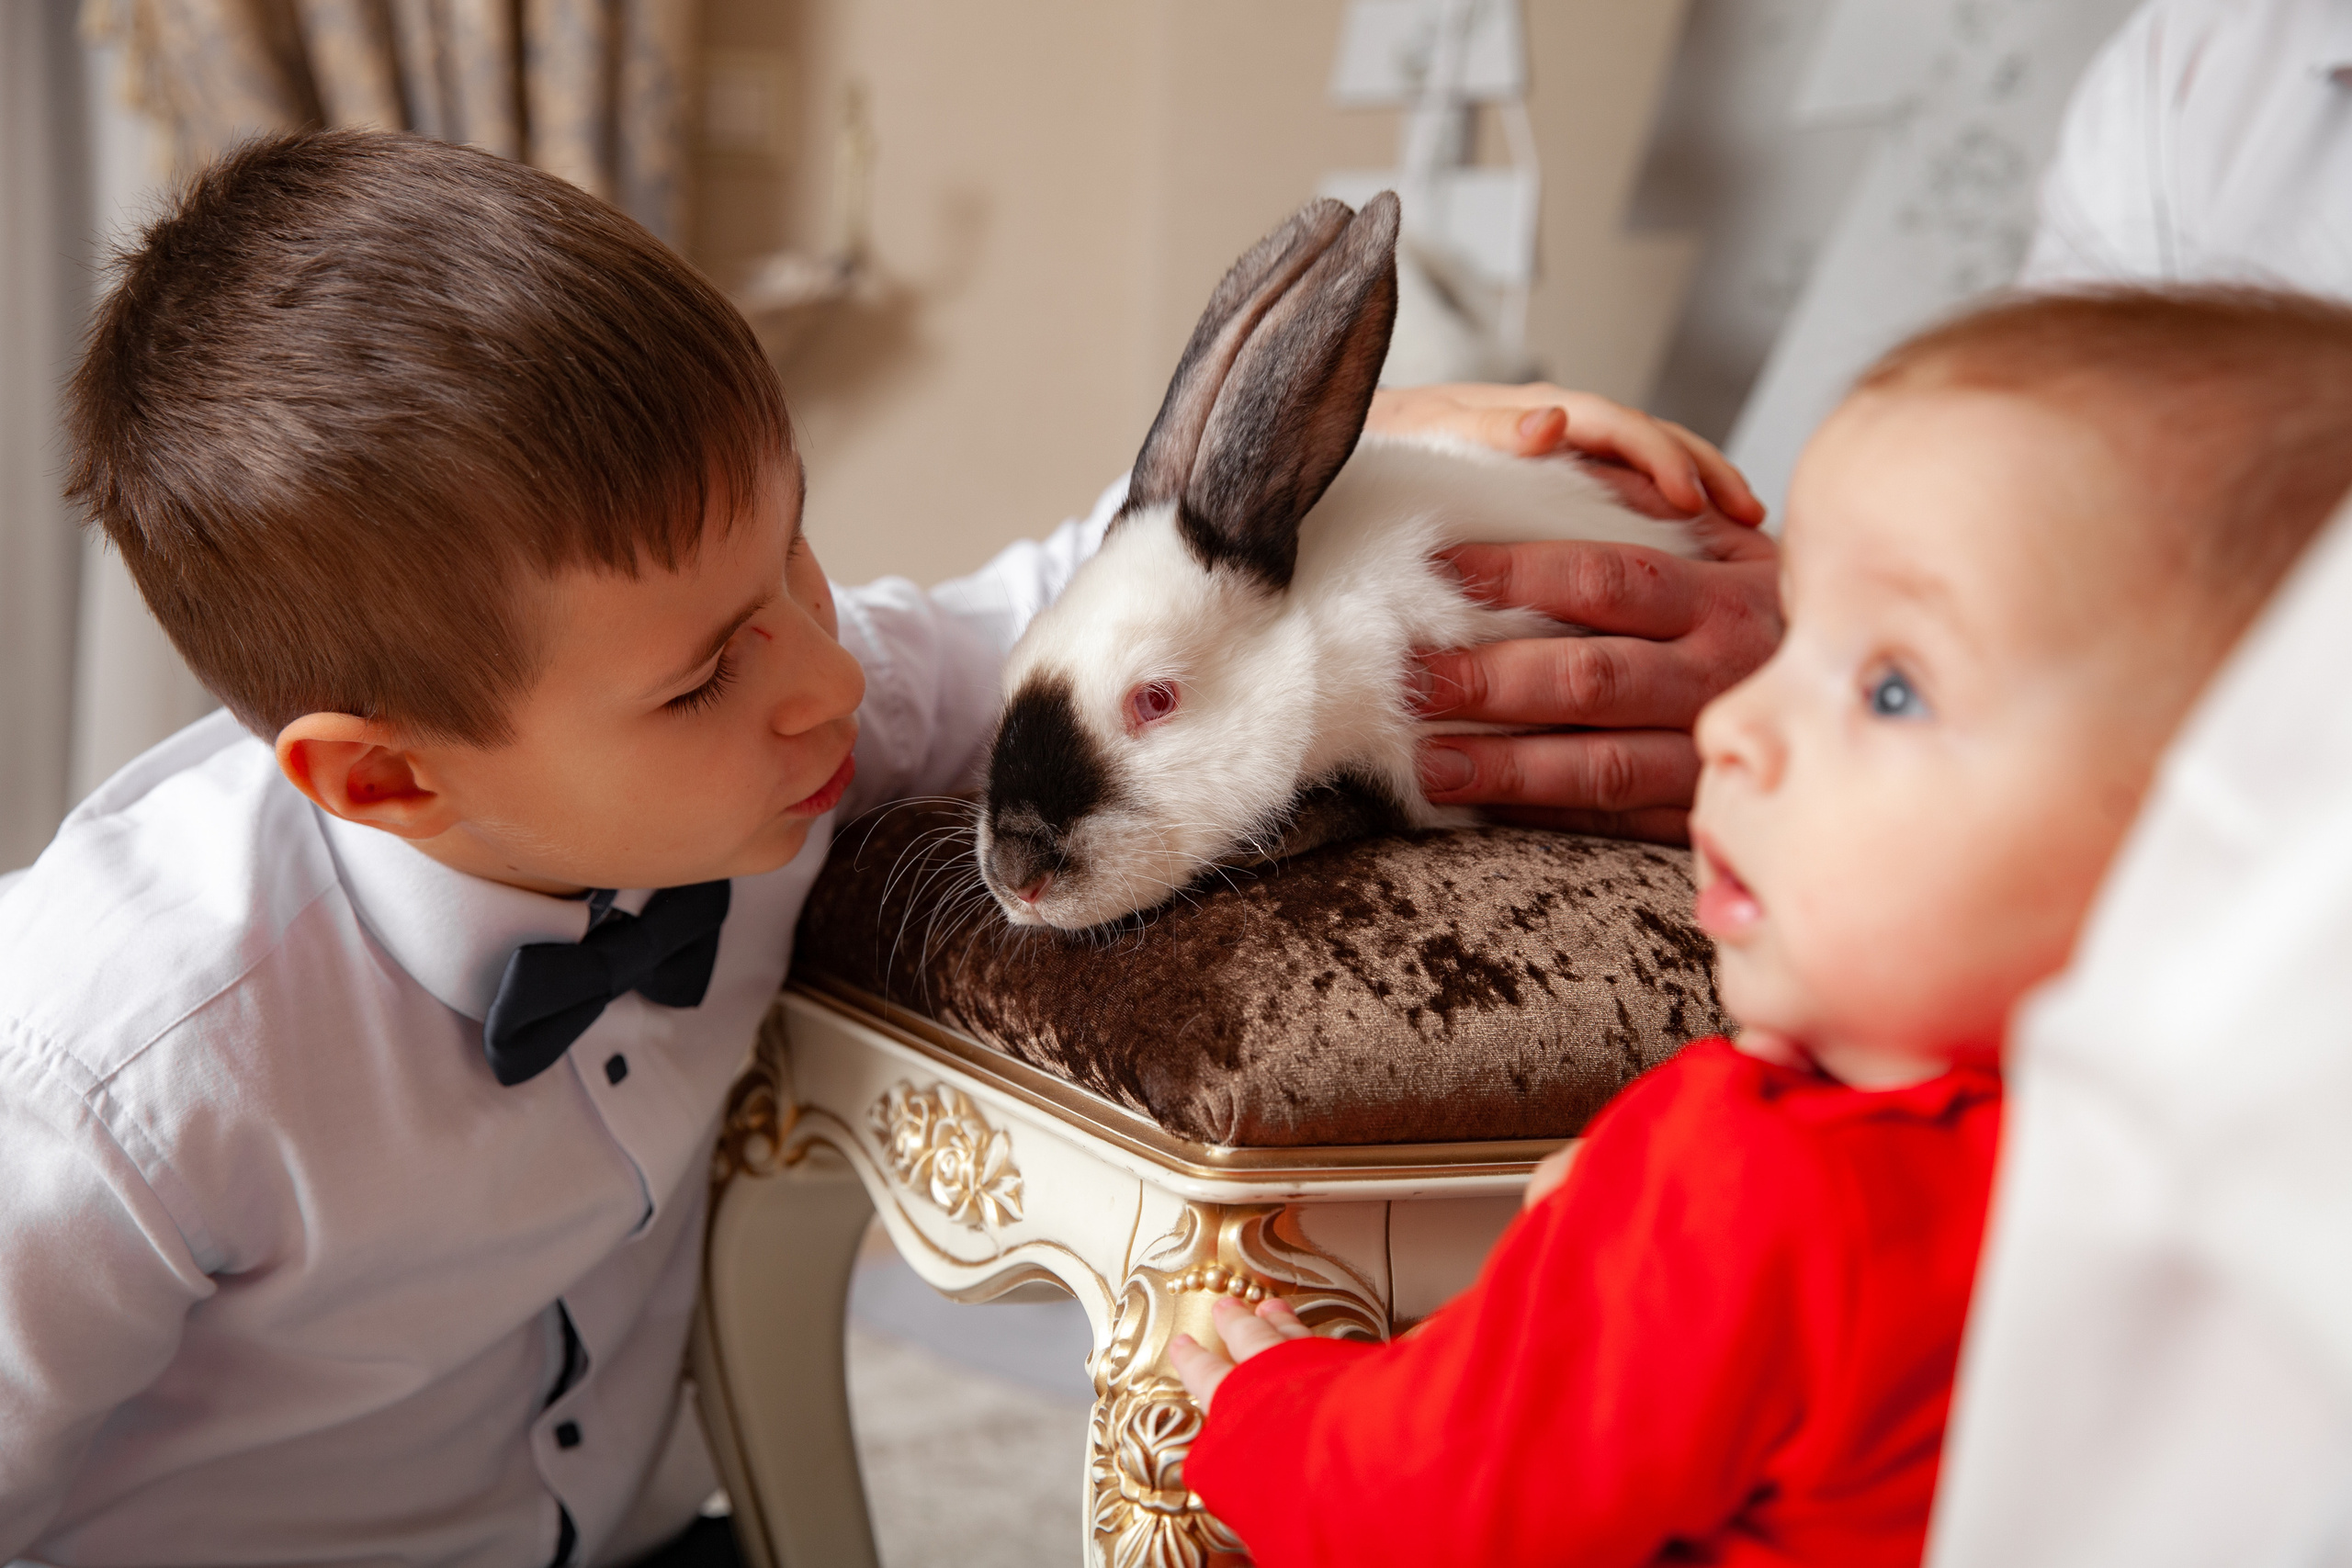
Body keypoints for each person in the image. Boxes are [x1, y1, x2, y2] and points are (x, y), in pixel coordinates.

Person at [0, 130, 1725, 1566]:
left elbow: (1068, 606)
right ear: (385, 784)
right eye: (701, 677)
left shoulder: (796, 725)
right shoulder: (112, 1068)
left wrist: (1407, 449)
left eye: (796, 572)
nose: (830, 678)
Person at [1166, 287, 2352, 1567]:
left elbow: (1424, 1503)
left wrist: (1273, 1406)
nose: (1735, 725)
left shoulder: (1750, 1183)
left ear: (2229, 850)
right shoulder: (2266, 1231)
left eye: (1891, 688)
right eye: (1795, 640)